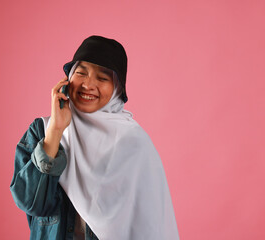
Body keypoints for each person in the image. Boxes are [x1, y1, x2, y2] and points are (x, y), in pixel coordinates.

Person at [10, 35, 179, 240]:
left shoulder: (133, 142)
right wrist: (55, 131)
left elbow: (151, 223)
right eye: (81, 73)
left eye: (103, 78)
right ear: (68, 79)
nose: (88, 85)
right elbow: (30, 202)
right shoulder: (41, 131)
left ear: (117, 89)